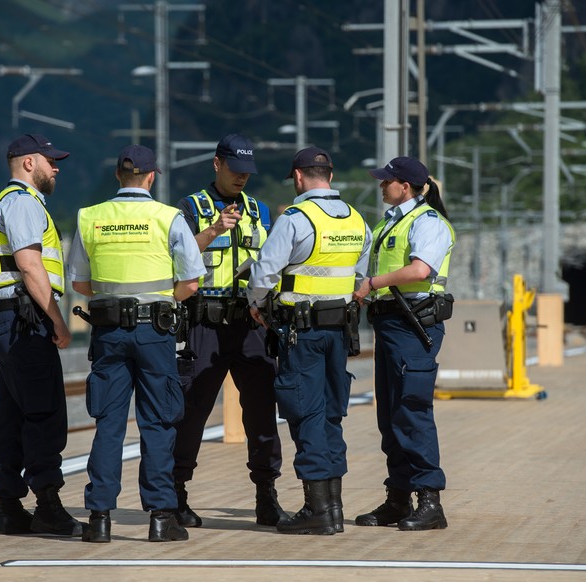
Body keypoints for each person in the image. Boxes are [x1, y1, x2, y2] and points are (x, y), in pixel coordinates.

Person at [68, 145, 205, 543]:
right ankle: (162, 517)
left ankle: (98, 520)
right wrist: (161, 303)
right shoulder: (168, 218)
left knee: (108, 423)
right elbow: (192, 281)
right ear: (151, 177)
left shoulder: (90, 218)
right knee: (158, 422)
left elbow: (79, 283)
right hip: (155, 332)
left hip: (108, 331)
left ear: (117, 176)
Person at [247, 146, 371, 535]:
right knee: (332, 414)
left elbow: (264, 274)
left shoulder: (296, 219)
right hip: (339, 330)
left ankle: (317, 511)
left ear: (299, 178)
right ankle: (332, 508)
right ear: (329, 176)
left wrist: (258, 306)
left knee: (306, 414)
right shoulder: (356, 220)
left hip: (301, 333)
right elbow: (360, 276)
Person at [172, 133, 288, 528]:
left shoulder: (260, 211)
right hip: (206, 322)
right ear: (217, 164)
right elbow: (177, 258)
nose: (242, 178)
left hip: (251, 323)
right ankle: (177, 493)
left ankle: (266, 495)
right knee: (192, 411)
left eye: (247, 172)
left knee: (261, 413)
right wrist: (214, 231)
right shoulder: (191, 208)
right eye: (236, 170)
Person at [0, 133, 82, 537]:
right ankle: (48, 505)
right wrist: (57, 319)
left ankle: (8, 507)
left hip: (11, 322)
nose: (56, 167)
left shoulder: (7, 202)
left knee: (10, 413)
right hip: (26, 321)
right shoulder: (22, 203)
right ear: (28, 164)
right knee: (44, 412)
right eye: (50, 160)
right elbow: (30, 265)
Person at [352, 156, 455, 532]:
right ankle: (398, 497)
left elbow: (420, 270)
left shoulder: (429, 223)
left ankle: (430, 500)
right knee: (390, 414)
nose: (382, 186)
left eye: (387, 181)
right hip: (390, 324)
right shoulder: (387, 223)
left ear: (405, 186)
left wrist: (373, 285)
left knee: (412, 411)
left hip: (414, 325)